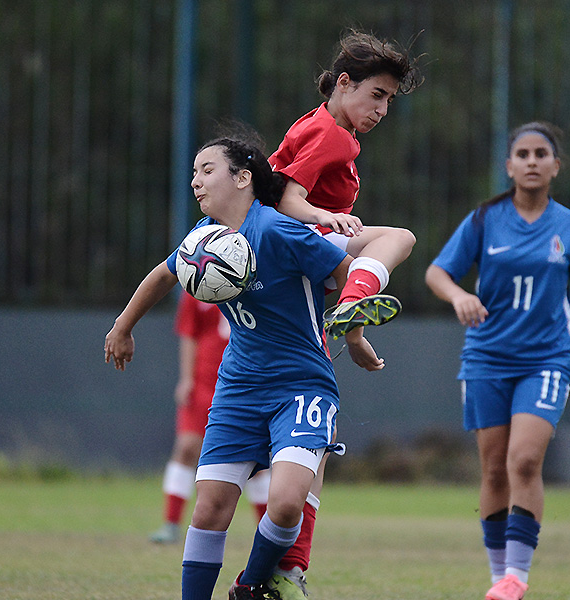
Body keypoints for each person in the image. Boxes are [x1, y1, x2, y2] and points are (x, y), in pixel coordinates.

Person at [104, 128, 385, 600]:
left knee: (287, 501)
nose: (196, 181)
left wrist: (353, 333)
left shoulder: (277, 229)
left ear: (242, 178)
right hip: (238, 388)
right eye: (194, 173)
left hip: (301, 384)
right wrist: (123, 326)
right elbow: (163, 275)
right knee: (210, 508)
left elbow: (343, 273)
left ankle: (250, 584)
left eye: (207, 170)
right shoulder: (203, 239)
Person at [425, 122, 570, 600]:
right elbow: (437, 272)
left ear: (556, 166)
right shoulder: (485, 219)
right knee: (494, 470)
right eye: (522, 154)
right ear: (509, 166)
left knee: (523, 460)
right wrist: (459, 295)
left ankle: (517, 577)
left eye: (541, 154)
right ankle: (499, 577)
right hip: (486, 359)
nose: (531, 161)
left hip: (546, 359)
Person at [269, 29, 424, 341]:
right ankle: (351, 303)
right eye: (377, 95)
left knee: (360, 262)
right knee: (400, 238)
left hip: (290, 243)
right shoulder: (331, 135)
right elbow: (286, 199)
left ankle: (350, 314)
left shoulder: (320, 122)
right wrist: (325, 216)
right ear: (343, 82)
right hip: (292, 241)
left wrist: (355, 340)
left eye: (389, 100)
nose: (383, 110)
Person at [149, 293, 270, 545]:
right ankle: (171, 523)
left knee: (255, 459)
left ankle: (268, 532)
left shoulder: (256, 278)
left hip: (244, 381)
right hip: (204, 381)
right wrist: (186, 378)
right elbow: (188, 334)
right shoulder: (196, 282)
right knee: (187, 447)